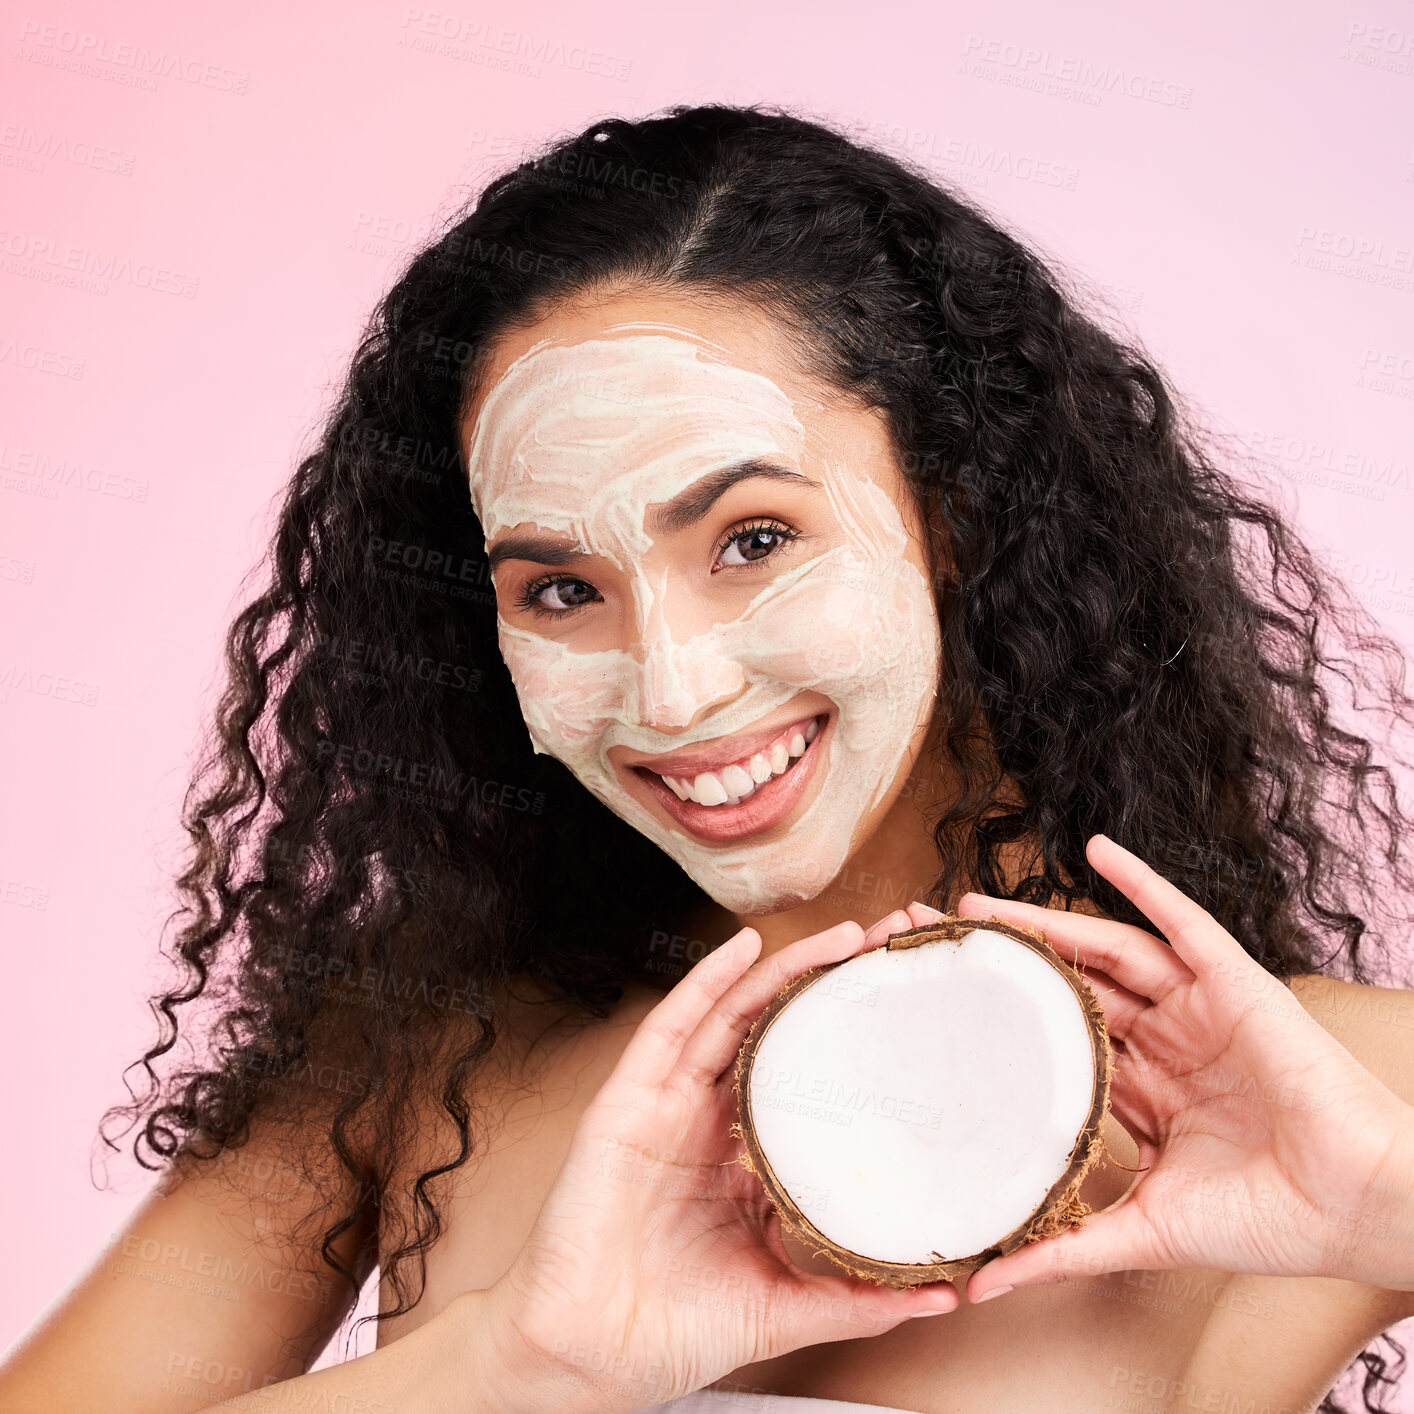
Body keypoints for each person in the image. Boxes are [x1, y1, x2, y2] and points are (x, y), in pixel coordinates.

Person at [4, 101, 1414, 1414]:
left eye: (752, 539)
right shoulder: (419, 1063)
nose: (672, 692)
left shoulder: (1315, 1082)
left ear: (959, 515)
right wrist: (519, 1359)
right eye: (559, 589)